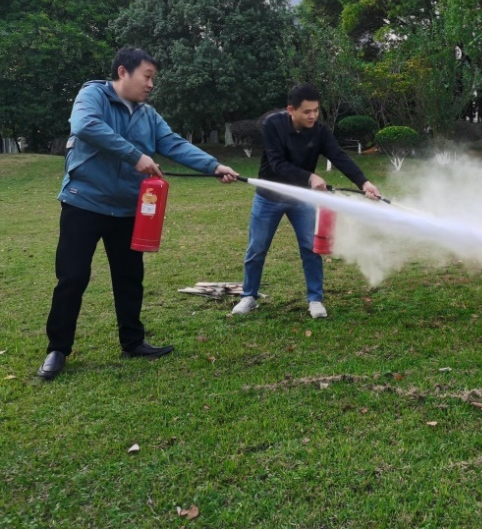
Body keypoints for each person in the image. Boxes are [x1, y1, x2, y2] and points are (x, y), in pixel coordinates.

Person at [37, 46, 240, 381]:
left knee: (129, 277)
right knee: (72, 276)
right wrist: (135, 156)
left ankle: (132, 342)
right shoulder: (93, 95)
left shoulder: (148, 115)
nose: (150, 85)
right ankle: (57, 349)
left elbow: (174, 144)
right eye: (147, 76)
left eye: (153, 79)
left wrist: (214, 166)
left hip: (128, 209)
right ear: (123, 72)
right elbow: (84, 126)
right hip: (83, 202)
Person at [232, 83, 380, 318]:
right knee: (257, 248)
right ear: (291, 109)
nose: (313, 116)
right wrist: (309, 176)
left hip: (302, 199)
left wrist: (364, 183)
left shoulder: (319, 131)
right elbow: (276, 163)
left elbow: (338, 156)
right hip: (268, 198)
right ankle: (249, 296)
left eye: (316, 110)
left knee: (311, 248)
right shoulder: (273, 125)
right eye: (307, 111)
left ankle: (315, 299)